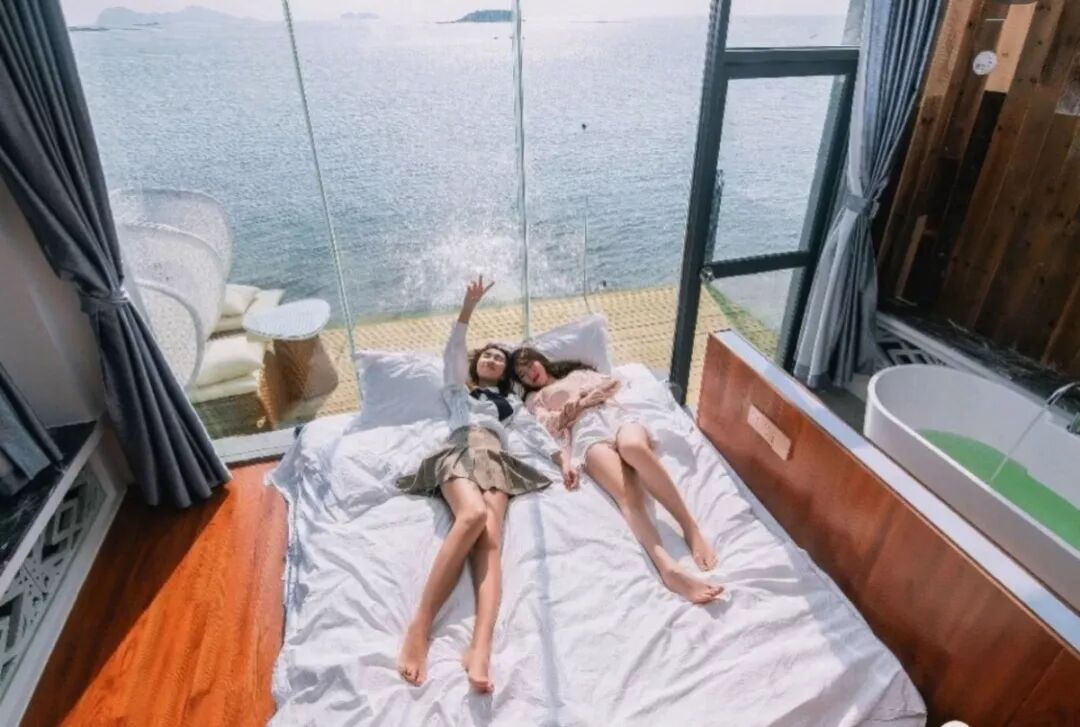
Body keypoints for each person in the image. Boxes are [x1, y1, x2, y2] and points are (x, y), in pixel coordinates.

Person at [396, 276, 557, 694]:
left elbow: (535, 433)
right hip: (460, 448)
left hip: (497, 458)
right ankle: (420, 627)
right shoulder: (457, 391)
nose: (492, 358)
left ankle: (480, 647)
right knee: (470, 515)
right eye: (486, 354)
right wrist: (468, 307)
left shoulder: (511, 404)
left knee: (490, 541)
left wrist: (562, 459)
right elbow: (453, 350)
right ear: (475, 364)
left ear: (504, 373)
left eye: (499, 358)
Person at [511, 347, 722, 604]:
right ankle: (668, 568)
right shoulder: (536, 398)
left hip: (614, 415)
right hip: (585, 431)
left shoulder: (577, 373)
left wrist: (576, 401)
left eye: (529, 365)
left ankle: (690, 527)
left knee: (633, 448)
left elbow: (611, 384)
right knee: (627, 493)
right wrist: (581, 403)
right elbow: (549, 425)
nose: (529, 374)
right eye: (522, 374)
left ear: (539, 359)